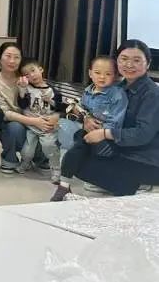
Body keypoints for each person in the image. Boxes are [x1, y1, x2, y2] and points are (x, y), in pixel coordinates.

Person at [52, 40, 159, 200]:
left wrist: (105, 133)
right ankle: (116, 184)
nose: (129, 64)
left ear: (148, 64)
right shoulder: (117, 88)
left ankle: (139, 187)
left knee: (82, 164)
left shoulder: (152, 94)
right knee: (77, 150)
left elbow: (143, 134)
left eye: (137, 60)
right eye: (124, 59)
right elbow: (95, 110)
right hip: (122, 149)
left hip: (146, 158)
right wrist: (87, 119)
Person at [0, 42, 49, 174]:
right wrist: (34, 121)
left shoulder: (28, 77)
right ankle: (9, 159)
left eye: (16, 57)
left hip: (33, 116)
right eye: (8, 56)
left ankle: (40, 159)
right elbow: (4, 113)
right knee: (15, 127)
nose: (12, 61)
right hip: (10, 123)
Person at [59, 56, 127, 157]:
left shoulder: (118, 95)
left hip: (103, 133)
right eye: (97, 72)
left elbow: (116, 123)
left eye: (108, 74)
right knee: (63, 127)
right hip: (84, 126)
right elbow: (82, 110)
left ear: (115, 76)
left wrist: (100, 131)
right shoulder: (88, 90)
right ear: (90, 73)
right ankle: (64, 160)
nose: (102, 77)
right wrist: (78, 111)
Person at [16, 58, 63, 182]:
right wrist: (22, 90)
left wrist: (50, 101)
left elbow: (60, 107)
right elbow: (22, 105)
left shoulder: (52, 91)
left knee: (49, 147)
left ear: (41, 69)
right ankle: (25, 163)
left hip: (47, 127)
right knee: (27, 150)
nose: (32, 75)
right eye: (27, 74)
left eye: (33, 70)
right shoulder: (27, 89)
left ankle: (56, 169)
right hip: (32, 126)